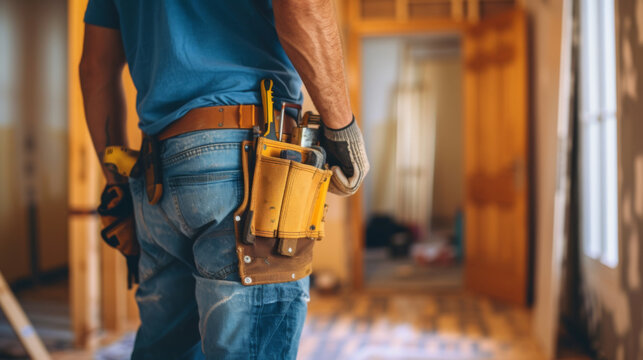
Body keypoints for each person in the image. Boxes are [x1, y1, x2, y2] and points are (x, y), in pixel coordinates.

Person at [79, 1, 369, 359]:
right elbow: (304, 6)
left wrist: (117, 186)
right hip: (248, 168)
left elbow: (95, 70)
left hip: (156, 177)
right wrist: (341, 127)